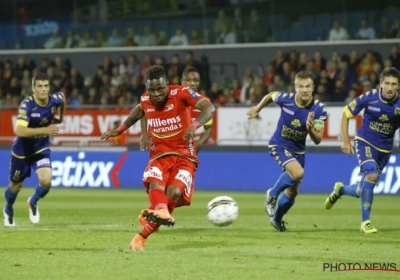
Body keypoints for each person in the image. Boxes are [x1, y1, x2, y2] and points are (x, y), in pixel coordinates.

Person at [100, 65, 215, 250]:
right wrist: (119, 130)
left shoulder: (182, 93)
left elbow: (209, 108)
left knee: (174, 194)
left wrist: (194, 125)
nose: (156, 94)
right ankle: (155, 218)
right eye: (151, 89)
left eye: (160, 88)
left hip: (185, 155)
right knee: (156, 184)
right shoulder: (146, 99)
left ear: (167, 85)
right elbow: (139, 110)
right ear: (146, 88)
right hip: (159, 155)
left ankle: (143, 233)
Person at [247, 71, 327, 232]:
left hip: (298, 151)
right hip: (279, 144)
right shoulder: (286, 99)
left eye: (308, 86)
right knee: (298, 173)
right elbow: (270, 95)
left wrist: (310, 128)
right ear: (295, 87)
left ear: (313, 88)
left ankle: (276, 220)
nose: (305, 90)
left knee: (292, 192)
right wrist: (257, 108)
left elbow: (318, 140)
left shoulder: (318, 109)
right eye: (301, 86)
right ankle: (272, 194)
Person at [324, 67, 400, 234]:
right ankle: (365, 222)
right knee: (372, 174)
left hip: (385, 150)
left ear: (398, 86)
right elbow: (345, 113)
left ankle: (340, 190)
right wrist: (345, 140)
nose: (389, 87)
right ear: (381, 83)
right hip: (365, 142)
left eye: (393, 84)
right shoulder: (370, 97)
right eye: (386, 83)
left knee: (362, 189)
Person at [138, 66, 213, 230]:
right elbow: (144, 110)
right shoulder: (174, 95)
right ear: (180, 82)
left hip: (185, 151)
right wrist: (144, 134)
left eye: (195, 80)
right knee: (160, 185)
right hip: (163, 148)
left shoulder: (201, 101)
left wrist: (196, 145)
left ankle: (156, 215)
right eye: (188, 80)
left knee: (174, 192)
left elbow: (208, 128)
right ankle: (157, 216)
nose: (191, 83)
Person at [4, 72, 66, 227]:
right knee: (15, 187)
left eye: (46, 86)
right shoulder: (27, 105)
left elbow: (62, 98)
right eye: (40, 86)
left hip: (40, 149)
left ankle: (32, 201)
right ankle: (8, 208)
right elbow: (19, 131)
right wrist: (45, 130)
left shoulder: (55, 99)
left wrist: (61, 118)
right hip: (22, 151)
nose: (43, 90)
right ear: (33, 88)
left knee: (46, 181)